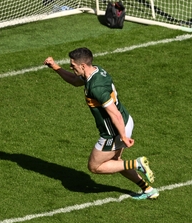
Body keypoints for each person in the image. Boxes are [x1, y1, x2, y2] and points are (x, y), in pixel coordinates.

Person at [43, 47, 158, 200]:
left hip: (114, 131)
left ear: (83, 65)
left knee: (95, 166)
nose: (71, 67)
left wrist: (123, 136)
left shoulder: (96, 88)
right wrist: (55, 67)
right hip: (125, 121)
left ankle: (137, 164)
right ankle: (148, 189)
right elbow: (75, 81)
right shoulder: (96, 71)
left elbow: (114, 113)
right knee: (115, 162)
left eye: (73, 65)